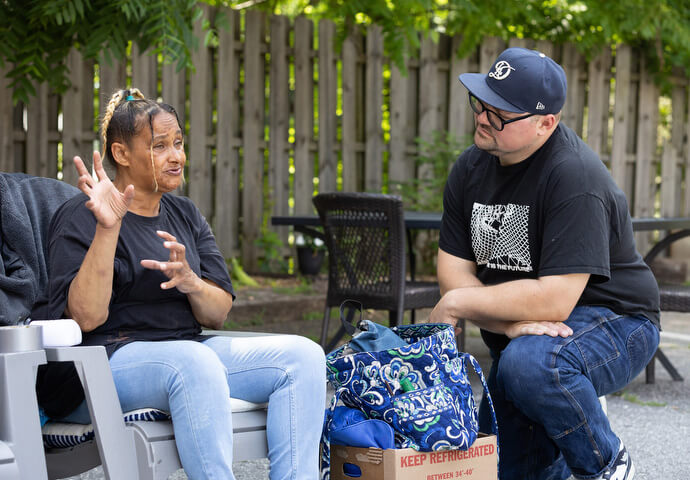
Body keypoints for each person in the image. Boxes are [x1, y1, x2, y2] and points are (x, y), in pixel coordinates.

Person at [44, 87, 327, 479]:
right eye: (159, 146)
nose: (176, 156)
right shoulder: (81, 215)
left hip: (187, 353)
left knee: (303, 357)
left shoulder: (184, 213)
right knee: (193, 362)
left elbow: (219, 313)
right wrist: (108, 230)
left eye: (178, 143)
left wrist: (191, 281)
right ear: (121, 154)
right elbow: (86, 318)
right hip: (99, 364)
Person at [430, 48, 660, 480]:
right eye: (481, 103)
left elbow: (552, 300)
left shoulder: (574, 175)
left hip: (617, 322)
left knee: (531, 364)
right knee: (497, 468)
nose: (483, 118)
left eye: (500, 114)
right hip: (527, 336)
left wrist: (467, 305)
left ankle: (607, 465)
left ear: (545, 123)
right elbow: (453, 272)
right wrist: (509, 324)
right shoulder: (470, 168)